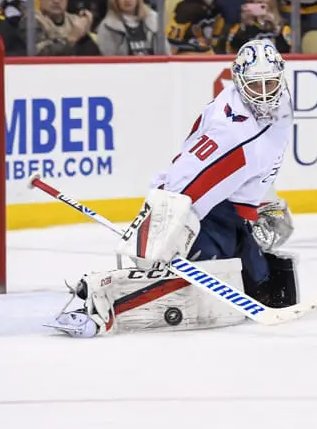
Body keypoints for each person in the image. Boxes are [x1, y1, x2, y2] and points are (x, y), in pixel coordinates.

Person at [50, 39, 299, 338]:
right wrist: (162, 232)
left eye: (269, 83)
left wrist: (264, 200)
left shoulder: (280, 103)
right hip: (195, 208)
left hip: (223, 203)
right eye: (255, 86)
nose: (263, 95)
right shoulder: (231, 132)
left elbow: (261, 159)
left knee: (261, 282)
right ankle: (100, 300)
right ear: (238, 80)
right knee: (214, 281)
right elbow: (186, 180)